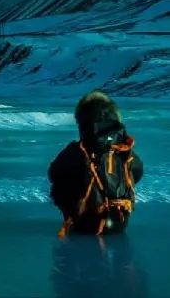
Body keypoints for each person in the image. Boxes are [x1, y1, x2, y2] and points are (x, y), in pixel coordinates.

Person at [48, 91, 143, 237]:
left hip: (85, 225)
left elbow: (54, 173)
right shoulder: (124, 149)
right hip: (120, 222)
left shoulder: (77, 150)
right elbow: (138, 172)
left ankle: (77, 218)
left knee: (62, 181)